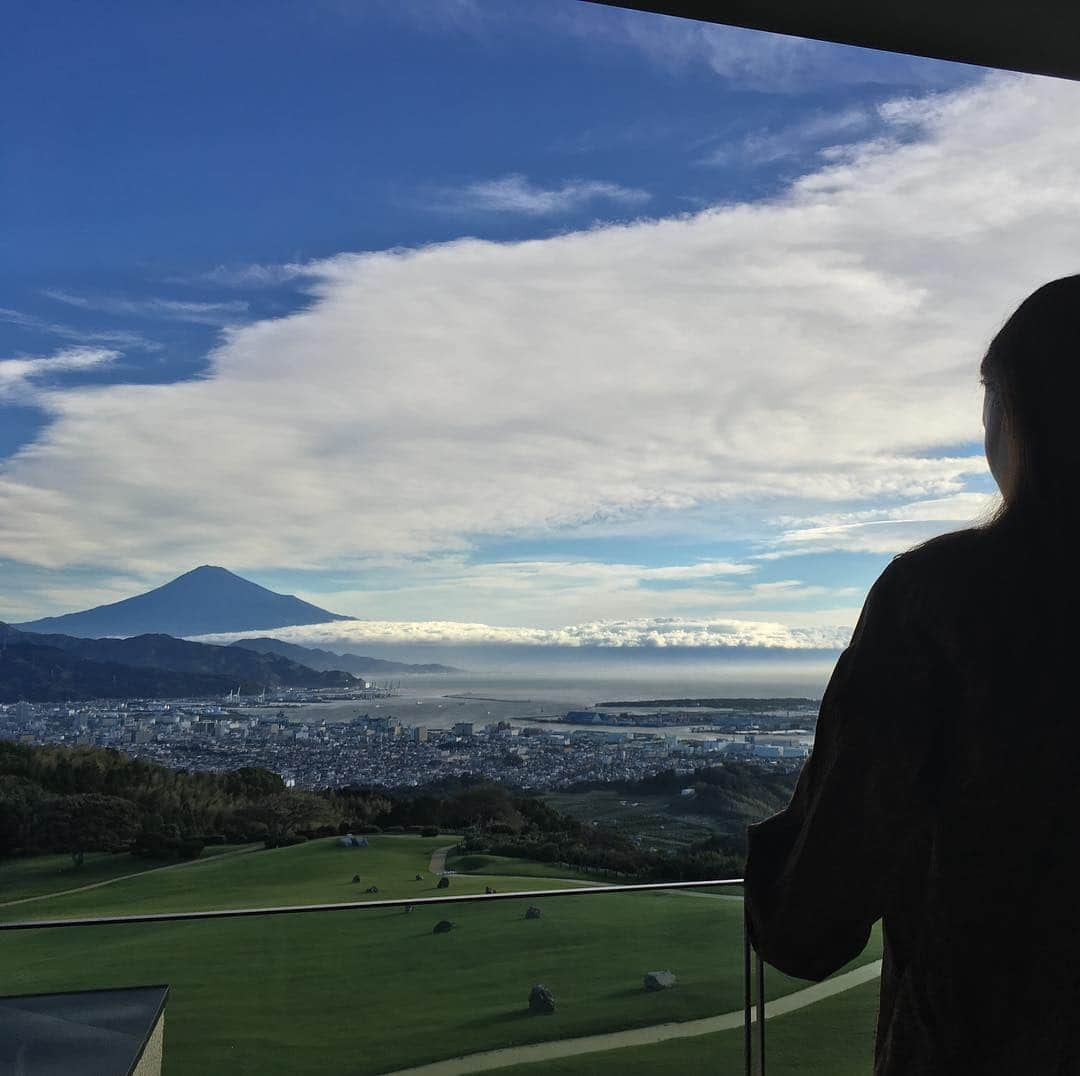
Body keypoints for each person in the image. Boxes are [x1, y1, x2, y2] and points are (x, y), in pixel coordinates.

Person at [744, 276, 1080, 1075]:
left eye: (991, 398)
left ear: (1021, 412)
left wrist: (769, 853)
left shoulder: (941, 598)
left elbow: (813, 920)